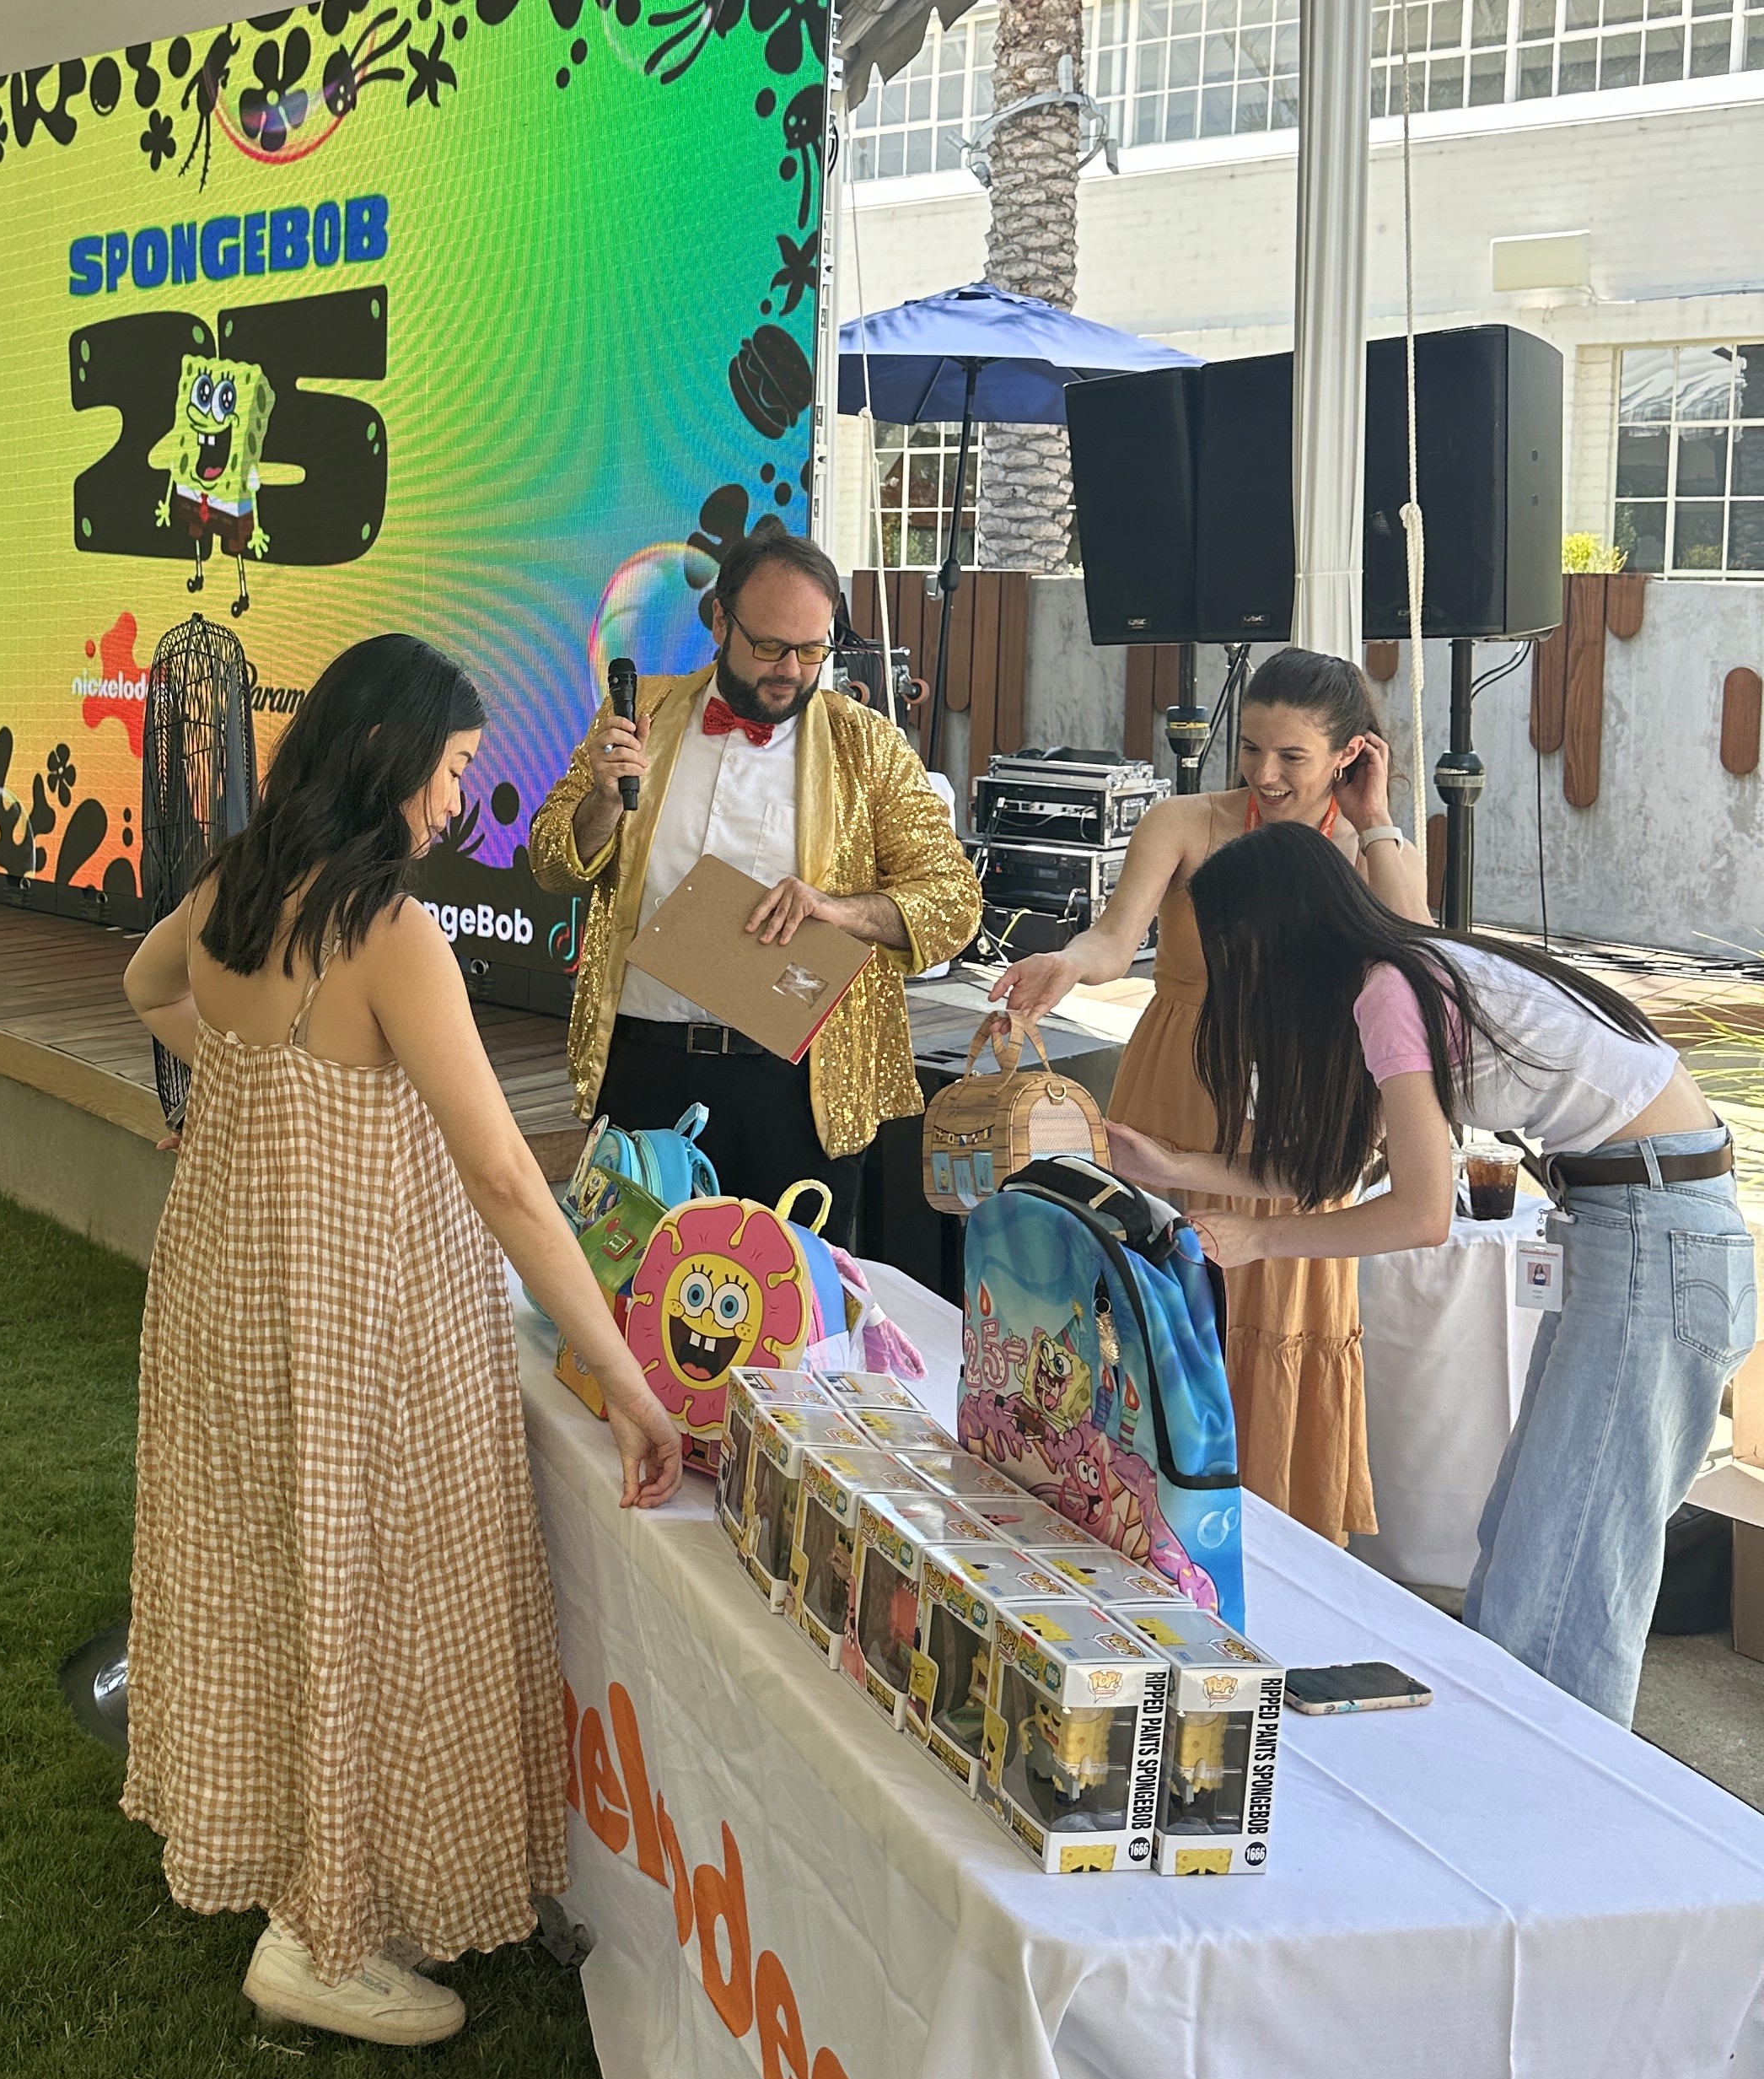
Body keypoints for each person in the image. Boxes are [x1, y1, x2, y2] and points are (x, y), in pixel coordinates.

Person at [122, 633, 681, 2052]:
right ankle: (325, 1933)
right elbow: (502, 1174)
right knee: (374, 1583)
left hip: (227, 1288)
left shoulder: (242, 879)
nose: (451, 806)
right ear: (382, 757)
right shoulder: (384, 928)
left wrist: (246, 1080)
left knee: (277, 1577)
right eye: (444, 773)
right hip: (357, 1305)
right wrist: (620, 1371)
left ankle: (317, 1884)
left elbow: (145, 987)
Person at [1110, 819, 1754, 1725]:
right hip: (1634, 1224)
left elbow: (1421, 1213)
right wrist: (1176, 1167)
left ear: (1278, 932)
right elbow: (1325, 1172)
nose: (1233, 976)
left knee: (1564, 1561)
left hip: (1660, 1236)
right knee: (1529, 1538)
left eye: (1235, 951)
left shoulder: (1389, 992)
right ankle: (1517, 1769)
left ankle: (1550, 1792)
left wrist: (1262, 1243)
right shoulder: (1397, 977)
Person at [998, 649, 1428, 1543]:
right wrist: (1066, 966)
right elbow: (1115, 941)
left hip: (1303, 1101)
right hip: (1178, 1086)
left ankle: (1265, 1543)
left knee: (1272, 1308)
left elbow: (1424, 962)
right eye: (1251, 749)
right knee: (1152, 1304)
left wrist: (1377, 820)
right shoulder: (1185, 822)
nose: (1264, 776)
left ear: (1352, 754)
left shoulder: (1371, 849)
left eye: (1293, 758)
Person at [528, 530, 980, 1245]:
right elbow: (551, 861)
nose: (791, 671)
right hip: (646, 1064)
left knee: (787, 1318)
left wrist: (839, 910)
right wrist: (606, 802)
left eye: (812, 651)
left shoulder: (866, 745)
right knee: (628, 1296)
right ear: (718, 622)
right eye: (770, 647)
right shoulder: (643, 713)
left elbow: (954, 902)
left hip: (798, 1085)